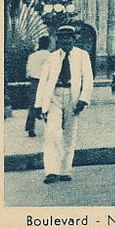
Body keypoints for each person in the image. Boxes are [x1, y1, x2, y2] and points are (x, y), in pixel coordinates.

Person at [32, 24, 93, 184]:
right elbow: (43, 81)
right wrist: (39, 104)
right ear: (58, 40)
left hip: (73, 98)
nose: (66, 41)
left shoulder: (82, 55)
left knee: (69, 134)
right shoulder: (51, 57)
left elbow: (88, 79)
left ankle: (65, 170)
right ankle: (52, 171)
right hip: (54, 97)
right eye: (62, 38)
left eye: (69, 38)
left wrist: (83, 99)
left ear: (74, 39)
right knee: (52, 133)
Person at [24, 35, 51, 137]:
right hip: (45, 82)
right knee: (49, 103)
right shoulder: (49, 55)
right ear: (48, 44)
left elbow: (28, 72)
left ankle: (30, 128)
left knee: (33, 105)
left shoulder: (32, 56)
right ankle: (50, 126)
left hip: (33, 82)